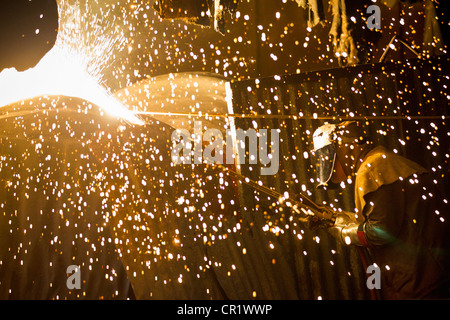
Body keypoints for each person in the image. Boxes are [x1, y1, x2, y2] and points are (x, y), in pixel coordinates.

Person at [312, 121, 450, 299]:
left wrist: (342, 232)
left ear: (344, 148)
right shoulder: (385, 161)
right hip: (430, 275)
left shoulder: (373, 167)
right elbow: (389, 216)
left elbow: (381, 231)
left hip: (422, 284)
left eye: (329, 156)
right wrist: (339, 218)